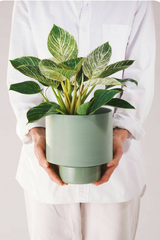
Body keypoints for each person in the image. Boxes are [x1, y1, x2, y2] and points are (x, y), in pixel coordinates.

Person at [7, 1, 156, 240]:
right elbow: (22, 71)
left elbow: (140, 73)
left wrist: (122, 131)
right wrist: (37, 133)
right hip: (47, 170)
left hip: (116, 169)